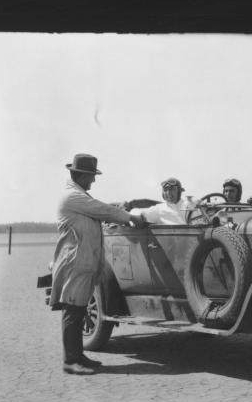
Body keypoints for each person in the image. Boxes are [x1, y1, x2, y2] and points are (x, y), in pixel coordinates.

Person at [50, 154, 146, 375]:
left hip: (83, 260)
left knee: (80, 307)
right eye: (91, 176)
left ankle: (78, 356)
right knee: (73, 309)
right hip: (75, 260)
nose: (93, 181)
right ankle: (70, 361)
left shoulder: (79, 195)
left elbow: (100, 208)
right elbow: (102, 210)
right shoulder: (73, 196)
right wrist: (130, 216)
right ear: (81, 175)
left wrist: (120, 209)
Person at [130, 177, 195, 224]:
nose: (168, 192)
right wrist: (132, 215)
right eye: (165, 190)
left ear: (179, 191)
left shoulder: (190, 205)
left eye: (172, 189)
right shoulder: (159, 209)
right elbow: (140, 213)